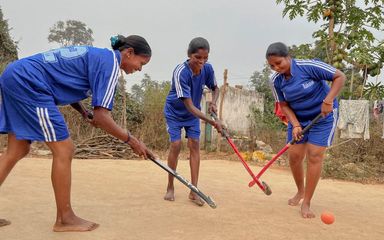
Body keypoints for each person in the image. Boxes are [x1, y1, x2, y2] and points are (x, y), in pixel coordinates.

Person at [0, 35, 154, 231]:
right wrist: (132, 141)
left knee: (17, 149)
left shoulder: (100, 57)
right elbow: (102, 116)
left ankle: (65, 218)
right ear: (129, 53)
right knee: (65, 149)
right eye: (141, 63)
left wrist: (82, 111)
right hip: (29, 82)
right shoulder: (111, 65)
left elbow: (65, 80)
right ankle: (64, 219)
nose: (139, 69)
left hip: (17, 75)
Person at [267, 42, 345, 218]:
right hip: (298, 119)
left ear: (288, 57)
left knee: (314, 155)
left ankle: (307, 202)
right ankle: (300, 191)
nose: (276, 68)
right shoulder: (275, 81)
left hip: (323, 117)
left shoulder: (308, 66)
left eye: (279, 63)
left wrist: (328, 100)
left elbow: (340, 76)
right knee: (294, 157)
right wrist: (295, 124)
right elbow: (283, 104)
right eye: (272, 65)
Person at [163, 37, 222, 206]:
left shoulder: (208, 69)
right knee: (175, 145)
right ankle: (170, 186)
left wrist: (213, 102)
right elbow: (188, 105)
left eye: (205, 58)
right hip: (175, 113)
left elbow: (215, 88)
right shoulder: (181, 72)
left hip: (192, 115)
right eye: (198, 58)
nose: (201, 62)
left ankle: (194, 191)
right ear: (189, 55)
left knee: (195, 144)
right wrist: (212, 122)